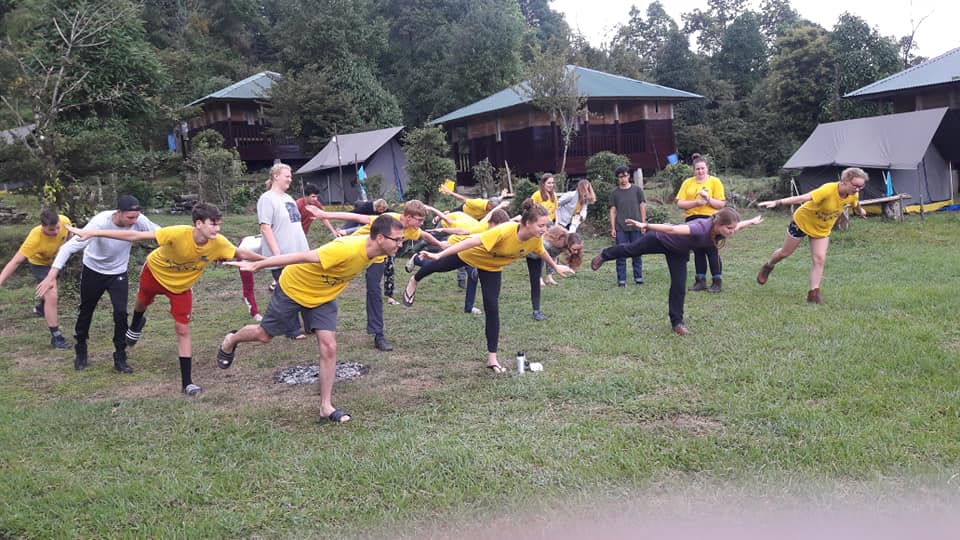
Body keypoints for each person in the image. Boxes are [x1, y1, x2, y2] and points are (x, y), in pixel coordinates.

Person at [217, 214, 406, 424]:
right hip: (294, 288)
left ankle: (326, 406)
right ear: (380, 238)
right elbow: (302, 256)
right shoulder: (345, 249)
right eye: (397, 240)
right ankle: (232, 339)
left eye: (402, 239)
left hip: (323, 297)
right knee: (263, 335)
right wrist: (258, 265)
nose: (400, 244)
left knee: (329, 347)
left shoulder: (378, 253)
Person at [65, 203, 262, 396]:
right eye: (213, 224)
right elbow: (135, 236)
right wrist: (93, 233)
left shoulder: (219, 242)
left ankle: (187, 383)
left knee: (182, 329)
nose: (217, 229)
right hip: (154, 273)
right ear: (199, 223)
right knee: (141, 303)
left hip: (181, 286)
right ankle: (135, 324)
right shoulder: (177, 233)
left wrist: (267, 260)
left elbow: (240, 252)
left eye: (219, 224)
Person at [401, 200, 573, 373]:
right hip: (470, 255)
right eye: (541, 225)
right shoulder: (505, 231)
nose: (544, 229)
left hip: (491, 267)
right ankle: (414, 280)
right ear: (528, 223)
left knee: (492, 308)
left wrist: (555, 266)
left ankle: (492, 358)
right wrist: (440, 255)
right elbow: (472, 241)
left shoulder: (535, 239)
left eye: (545, 225)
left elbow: (541, 251)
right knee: (437, 266)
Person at [591, 208, 762, 335]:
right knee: (631, 250)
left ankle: (677, 323)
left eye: (732, 228)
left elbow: (738, 226)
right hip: (660, 239)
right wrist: (646, 225)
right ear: (719, 224)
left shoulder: (721, 227)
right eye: (729, 229)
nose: (732, 232)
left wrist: (752, 221)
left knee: (679, 286)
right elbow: (672, 229)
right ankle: (605, 255)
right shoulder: (701, 228)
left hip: (678, 252)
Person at [37, 195, 159, 371]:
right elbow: (69, 247)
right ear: (118, 213)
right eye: (130, 218)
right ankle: (81, 350)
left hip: (118, 273)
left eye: (136, 217)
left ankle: (120, 357)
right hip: (93, 270)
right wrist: (51, 276)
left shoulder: (139, 220)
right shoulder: (100, 222)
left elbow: (162, 234)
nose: (134, 222)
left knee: (120, 313)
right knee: (86, 311)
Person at [317, 200, 446, 351]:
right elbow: (358, 217)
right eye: (419, 220)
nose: (421, 223)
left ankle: (378, 335)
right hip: (350, 252)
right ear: (408, 217)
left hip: (375, 258)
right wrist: (325, 214)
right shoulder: (388, 219)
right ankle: (308, 315)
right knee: (326, 278)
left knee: (374, 291)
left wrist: (440, 245)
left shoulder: (412, 229)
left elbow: (425, 235)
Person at [756, 167, 868, 304]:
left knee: (819, 259)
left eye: (861, 186)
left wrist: (860, 211)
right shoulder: (828, 190)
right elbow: (803, 197)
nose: (857, 189)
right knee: (785, 253)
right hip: (802, 222)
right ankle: (769, 266)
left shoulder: (853, 194)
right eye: (855, 185)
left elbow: (855, 203)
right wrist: (778, 202)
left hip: (821, 229)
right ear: (845, 180)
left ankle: (813, 293)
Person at [0, 209, 72, 349]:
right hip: (40, 265)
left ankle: (41, 308)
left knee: (48, 296)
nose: (56, 232)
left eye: (57, 227)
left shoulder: (64, 221)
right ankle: (56, 337)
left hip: (57, 262)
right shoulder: (34, 238)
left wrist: (66, 249)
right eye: (51, 230)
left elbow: (69, 236)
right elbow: (15, 262)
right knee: (51, 295)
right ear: (43, 226)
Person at [257, 163, 309, 339]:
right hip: (282, 256)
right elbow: (265, 227)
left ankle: (310, 325)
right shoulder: (267, 199)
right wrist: (277, 253)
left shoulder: (288, 198)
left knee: (304, 288)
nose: (290, 179)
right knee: (289, 292)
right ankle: (291, 330)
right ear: (276, 176)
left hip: (298, 253)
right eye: (287, 176)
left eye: (290, 176)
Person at [675, 154, 727, 293]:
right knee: (698, 250)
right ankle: (700, 281)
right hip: (692, 220)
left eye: (703, 168)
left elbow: (721, 204)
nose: (700, 171)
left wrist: (708, 199)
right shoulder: (687, 183)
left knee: (711, 250)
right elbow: (680, 203)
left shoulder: (715, 182)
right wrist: (696, 203)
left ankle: (717, 281)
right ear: (694, 170)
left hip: (711, 220)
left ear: (707, 168)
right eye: (697, 169)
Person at [525, 225, 584, 320]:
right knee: (536, 277)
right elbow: (543, 254)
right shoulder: (549, 244)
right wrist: (555, 266)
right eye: (574, 249)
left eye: (578, 250)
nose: (576, 252)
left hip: (544, 252)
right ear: (568, 244)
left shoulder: (563, 243)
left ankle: (536, 310)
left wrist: (557, 266)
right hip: (533, 252)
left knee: (550, 259)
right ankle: (540, 279)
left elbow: (553, 256)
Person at [608, 165, 647, 286]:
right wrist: (613, 228)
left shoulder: (637, 190)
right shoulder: (615, 193)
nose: (623, 179)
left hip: (636, 227)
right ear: (617, 178)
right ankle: (621, 280)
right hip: (621, 228)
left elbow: (642, 206)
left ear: (629, 176)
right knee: (621, 253)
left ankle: (638, 278)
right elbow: (613, 211)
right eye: (621, 177)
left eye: (625, 176)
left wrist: (643, 224)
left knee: (637, 252)